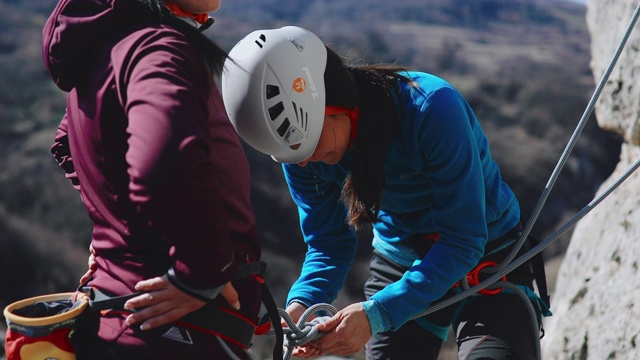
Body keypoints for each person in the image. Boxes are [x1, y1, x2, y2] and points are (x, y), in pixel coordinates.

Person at [222, 26, 551, 359]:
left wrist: (377, 314)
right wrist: (300, 305)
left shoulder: (430, 109)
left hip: (491, 255)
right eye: (291, 153)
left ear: (334, 105)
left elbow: (464, 239)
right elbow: (328, 243)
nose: (303, 161)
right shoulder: (299, 151)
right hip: (403, 257)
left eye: (306, 145)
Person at [43, 0, 263, 358]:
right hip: (178, 334)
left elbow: (65, 143)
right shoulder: (158, 47)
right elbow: (165, 158)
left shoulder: (111, 46)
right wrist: (203, 271)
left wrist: (114, 217)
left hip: (120, 319)